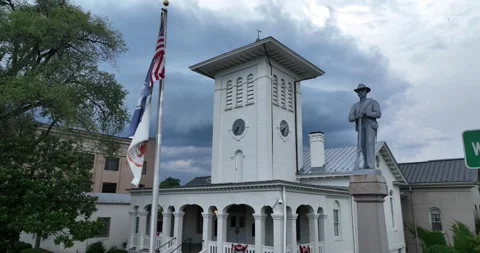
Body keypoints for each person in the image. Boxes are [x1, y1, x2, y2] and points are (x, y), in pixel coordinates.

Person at [348, 83, 382, 170]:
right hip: (360, 126)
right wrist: (357, 116)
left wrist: (367, 113)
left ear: (366, 91)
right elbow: (350, 118)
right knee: (362, 145)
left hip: (370, 124)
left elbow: (378, 114)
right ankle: (366, 164)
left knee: (370, 142)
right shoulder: (355, 106)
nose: (360, 92)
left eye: (362, 90)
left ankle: (371, 164)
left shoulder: (373, 102)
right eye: (358, 91)